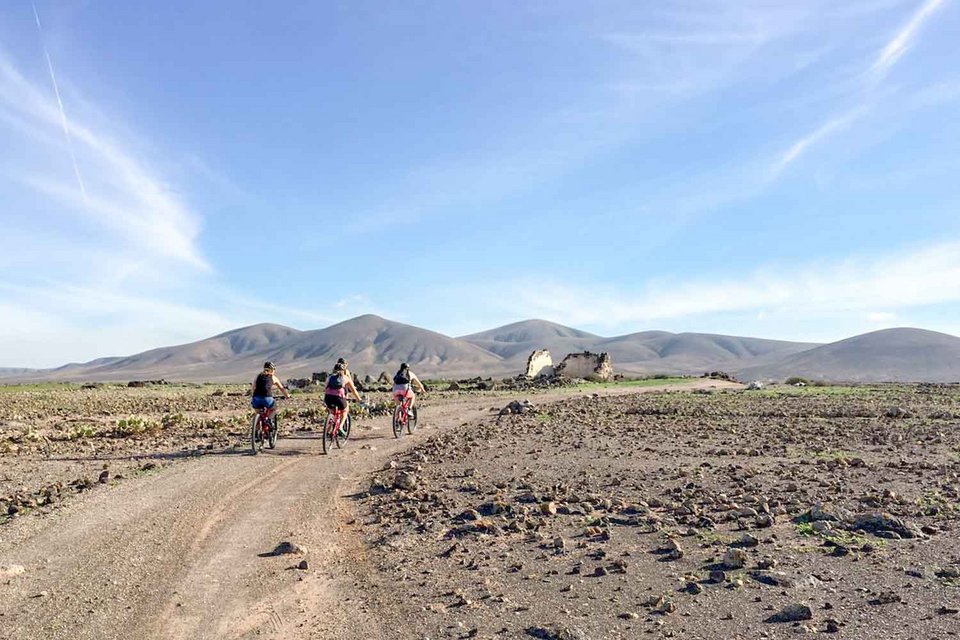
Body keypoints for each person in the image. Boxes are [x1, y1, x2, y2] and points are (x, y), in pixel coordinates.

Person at [324, 360, 362, 431]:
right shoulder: (345, 377)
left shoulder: (329, 378)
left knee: (332, 413)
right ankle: (340, 426)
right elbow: (353, 390)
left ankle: (327, 430)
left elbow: (325, 389)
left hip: (328, 398)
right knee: (345, 410)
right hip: (339, 398)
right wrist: (358, 399)